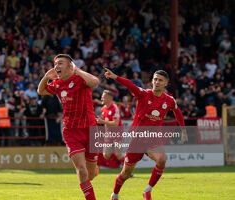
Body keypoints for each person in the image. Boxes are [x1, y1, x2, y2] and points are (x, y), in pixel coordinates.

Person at [104, 68, 188, 200]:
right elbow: (130, 84)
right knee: (125, 173)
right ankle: (114, 194)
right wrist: (115, 77)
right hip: (136, 141)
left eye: (160, 80)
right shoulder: (143, 94)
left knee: (161, 159)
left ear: (166, 83)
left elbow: (177, 111)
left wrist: (183, 130)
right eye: (155, 79)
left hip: (152, 140)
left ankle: (147, 191)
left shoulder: (169, 100)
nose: (157, 82)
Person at [38, 54, 99, 200]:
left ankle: (94, 170)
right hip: (71, 131)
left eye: (60, 63)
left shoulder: (80, 79)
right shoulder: (58, 84)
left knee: (91, 174)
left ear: (70, 65)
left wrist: (77, 71)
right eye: (55, 64)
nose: (56, 66)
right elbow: (41, 91)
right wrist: (46, 77)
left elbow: (95, 81)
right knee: (82, 171)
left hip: (91, 129)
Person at [95, 90, 125, 165]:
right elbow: (106, 123)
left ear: (109, 98)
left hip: (118, 134)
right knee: (106, 155)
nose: (101, 99)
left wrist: (103, 122)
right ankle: (122, 162)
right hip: (109, 135)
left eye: (103, 97)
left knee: (118, 155)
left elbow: (115, 123)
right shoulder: (103, 109)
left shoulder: (115, 108)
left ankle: (127, 167)